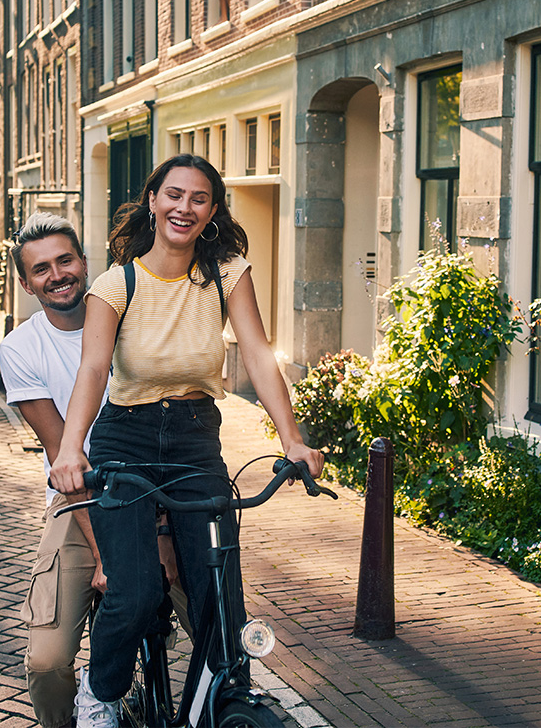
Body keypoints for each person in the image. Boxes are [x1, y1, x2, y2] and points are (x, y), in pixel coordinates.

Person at [49, 154, 325, 728]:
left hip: (197, 443)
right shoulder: (115, 283)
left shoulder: (227, 272)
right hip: (126, 440)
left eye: (199, 199)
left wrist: (292, 439)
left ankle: (221, 703)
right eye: (173, 195)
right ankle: (99, 696)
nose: (184, 207)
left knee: (220, 593)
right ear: (152, 201)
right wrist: (72, 448)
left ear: (213, 211)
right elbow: (93, 370)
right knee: (137, 589)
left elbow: (256, 352)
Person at [0, 212, 185, 728]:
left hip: (158, 489)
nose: (57, 275)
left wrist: (164, 537)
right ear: (25, 282)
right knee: (47, 661)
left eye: (65, 260)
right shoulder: (21, 349)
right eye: (41, 269)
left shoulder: (135, 325)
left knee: (221, 626)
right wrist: (109, 558)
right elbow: (66, 456)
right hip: (82, 503)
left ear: (84, 263)